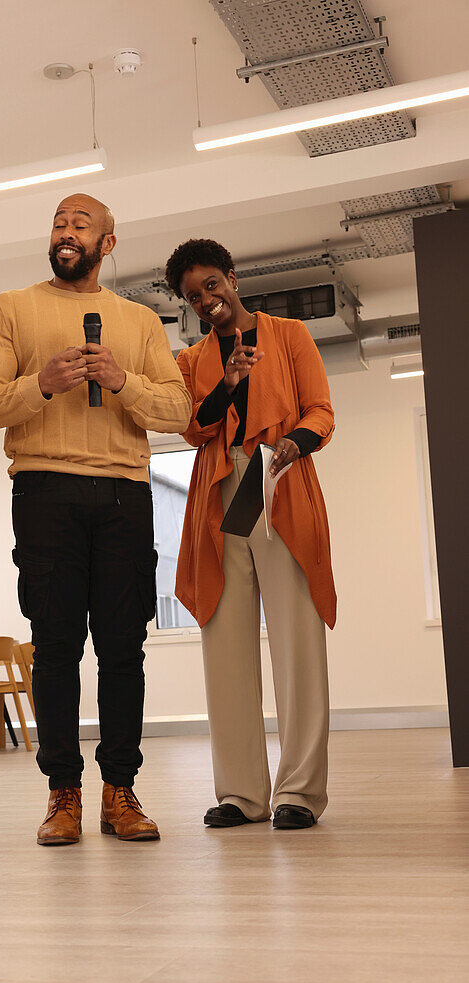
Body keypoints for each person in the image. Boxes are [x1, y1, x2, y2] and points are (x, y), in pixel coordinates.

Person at [0, 193, 191, 845]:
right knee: (56, 646)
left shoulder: (140, 321)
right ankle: (61, 795)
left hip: (124, 493)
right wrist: (40, 383)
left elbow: (176, 411)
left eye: (81, 225)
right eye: (59, 224)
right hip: (43, 490)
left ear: (108, 243)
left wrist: (123, 381)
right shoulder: (10, 309)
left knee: (123, 648)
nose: (66, 232)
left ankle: (119, 793)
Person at [164, 238, 336, 830]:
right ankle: (240, 793)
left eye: (212, 284)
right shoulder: (191, 362)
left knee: (297, 643)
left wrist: (289, 447)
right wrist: (229, 381)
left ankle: (299, 793)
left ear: (231, 277)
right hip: (218, 492)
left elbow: (321, 413)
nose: (206, 299)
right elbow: (193, 427)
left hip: (280, 481)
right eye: (192, 295)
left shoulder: (289, 336)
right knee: (226, 644)